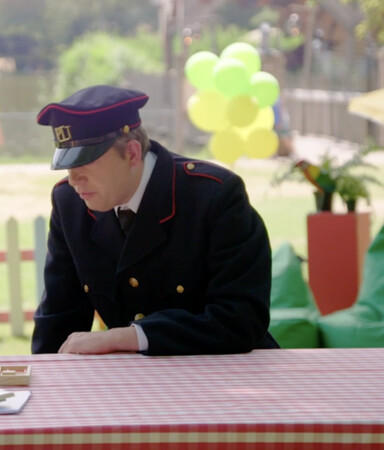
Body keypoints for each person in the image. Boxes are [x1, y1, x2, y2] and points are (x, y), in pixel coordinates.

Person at [32, 85, 279, 356]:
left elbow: (241, 320)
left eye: (86, 162)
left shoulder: (214, 195)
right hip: (133, 383)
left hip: (230, 374)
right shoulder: (70, 203)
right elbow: (58, 318)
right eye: (67, 166)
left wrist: (129, 337)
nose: (73, 179)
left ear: (133, 153)